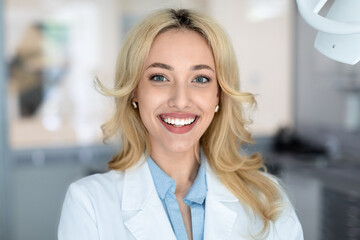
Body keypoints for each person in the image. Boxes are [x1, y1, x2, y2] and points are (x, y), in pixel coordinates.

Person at [58, 8, 303, 240]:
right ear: (134, 91)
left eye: (200, 79)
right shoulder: (88, 203)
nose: (181, 100)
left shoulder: (268, 199)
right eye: (159, 77)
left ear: (219, 94)